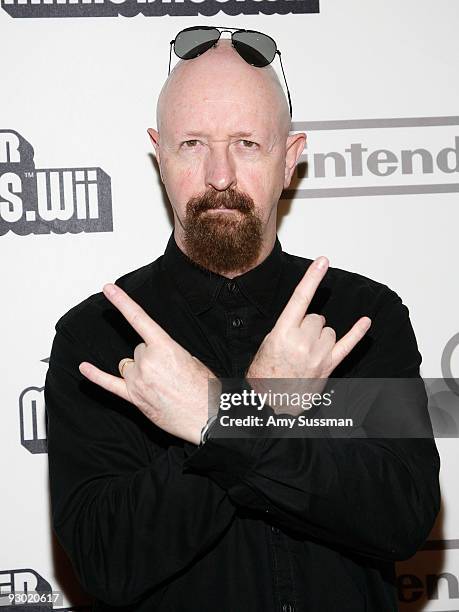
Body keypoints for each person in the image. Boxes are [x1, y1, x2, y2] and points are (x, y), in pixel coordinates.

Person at [44, 29, 441, 612]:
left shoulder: (363, 318)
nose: (220, 175)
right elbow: (107, 561)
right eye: (193, 144)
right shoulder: (97, 336)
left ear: (291, 159)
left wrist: (216, 419)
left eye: (248, 144)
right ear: (160, 156)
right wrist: (265, 404)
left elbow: (400, 518)